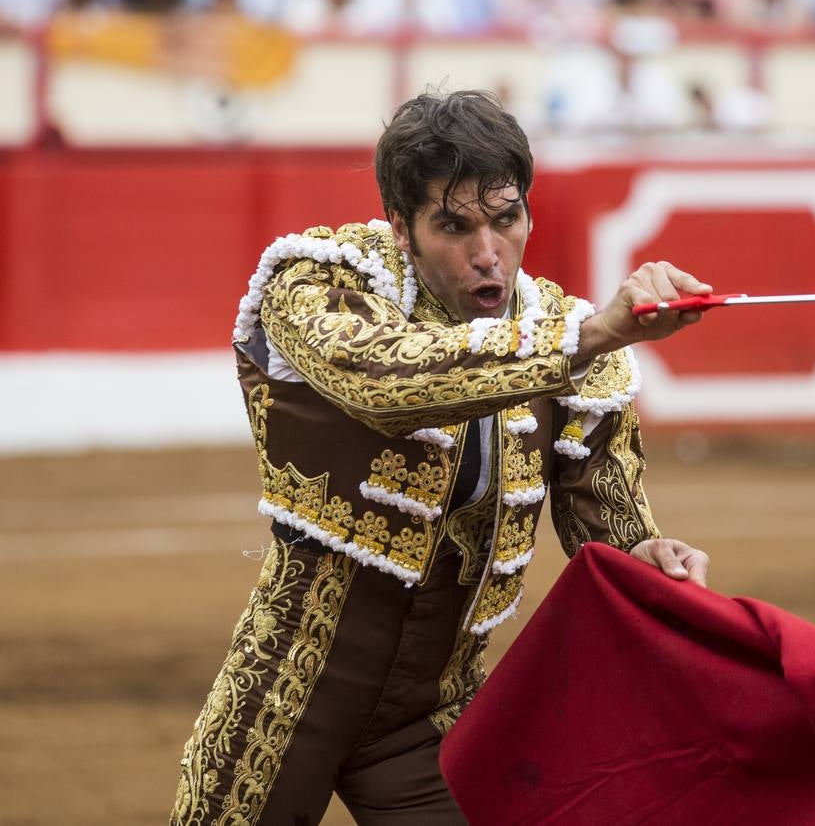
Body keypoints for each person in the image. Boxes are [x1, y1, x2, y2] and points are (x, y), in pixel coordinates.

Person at [172, 89, 713, 825]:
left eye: (505, 219)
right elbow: (384, 380)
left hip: (435, 715)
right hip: (289, 693)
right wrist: (587, 340)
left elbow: (604, 521)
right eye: (454, 226)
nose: (487, 253)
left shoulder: (564, 327)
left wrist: (647, 551)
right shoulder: (319, 283)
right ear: (402, 228)